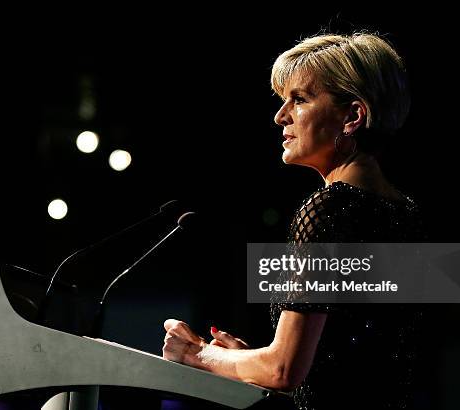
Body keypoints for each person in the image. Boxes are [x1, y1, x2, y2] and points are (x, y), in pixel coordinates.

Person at [162, 32, 425, 409]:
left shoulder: (329, 210)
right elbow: (359, 366)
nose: (280, 116)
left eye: (299, 99)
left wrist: (198, 354)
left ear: (352, 116)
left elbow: (285, 370)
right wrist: (244, 360)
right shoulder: (407, 213)